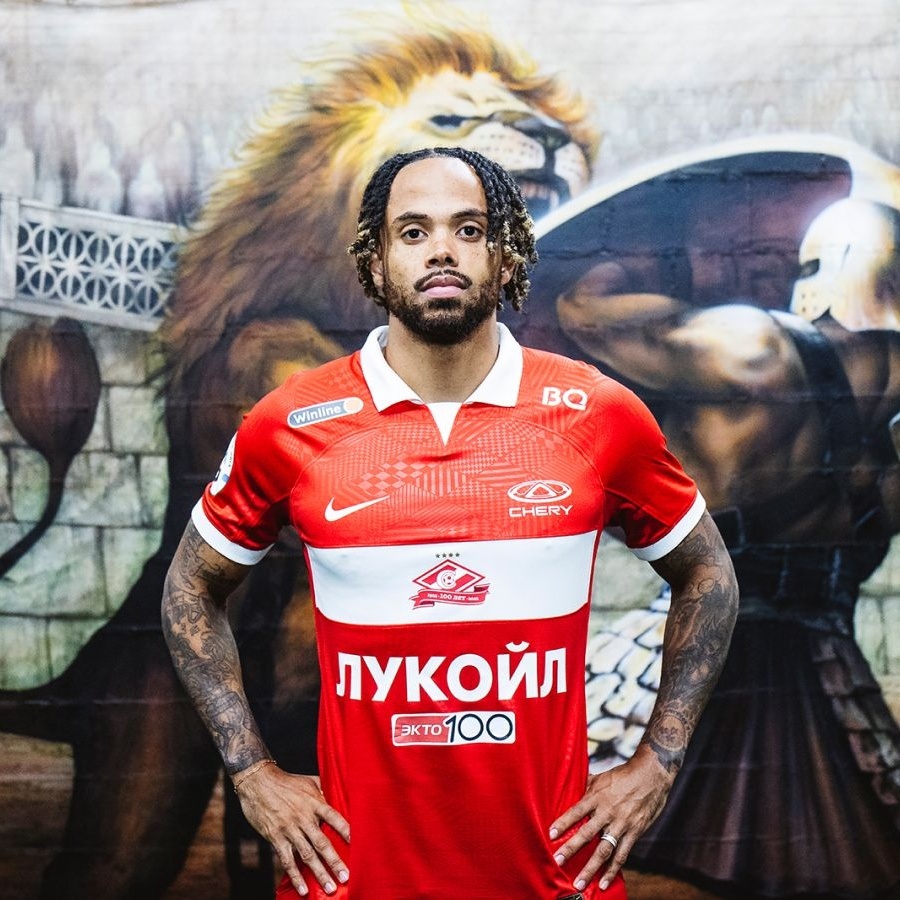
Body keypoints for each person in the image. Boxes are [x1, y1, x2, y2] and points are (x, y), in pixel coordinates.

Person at [161, 146, 738, 899]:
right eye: (414, 231)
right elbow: (190, 588)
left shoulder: (598, 415)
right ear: (374, 263)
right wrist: (250, 771)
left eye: (469, 229)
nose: (442, 250)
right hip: (354, 881)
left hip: (552, 879)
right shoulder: (291, 423)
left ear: (506, 256)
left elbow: (708, 572)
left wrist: (657, 761)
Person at [555, 229, 900, 896]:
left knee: (579, 846)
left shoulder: (754, 346)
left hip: (685, 661)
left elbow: (585, 316)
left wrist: (621, 252)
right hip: (824, 681)